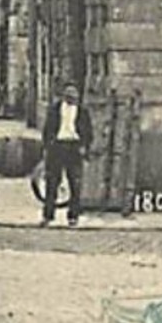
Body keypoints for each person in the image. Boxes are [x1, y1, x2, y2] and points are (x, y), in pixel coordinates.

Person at [39, 82, 93, 227]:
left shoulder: (83, 112)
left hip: (74, 148)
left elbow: (88, 132)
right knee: (52, 184)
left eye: (74, 94)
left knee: (75, 184)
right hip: (57, 147)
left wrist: (84, 146)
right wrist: (49, 145)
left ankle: (73, 216)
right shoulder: (55, 110)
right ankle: (48, 215)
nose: (71, 97)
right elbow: (47, 129)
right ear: (64, 95)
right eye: (68, 94)